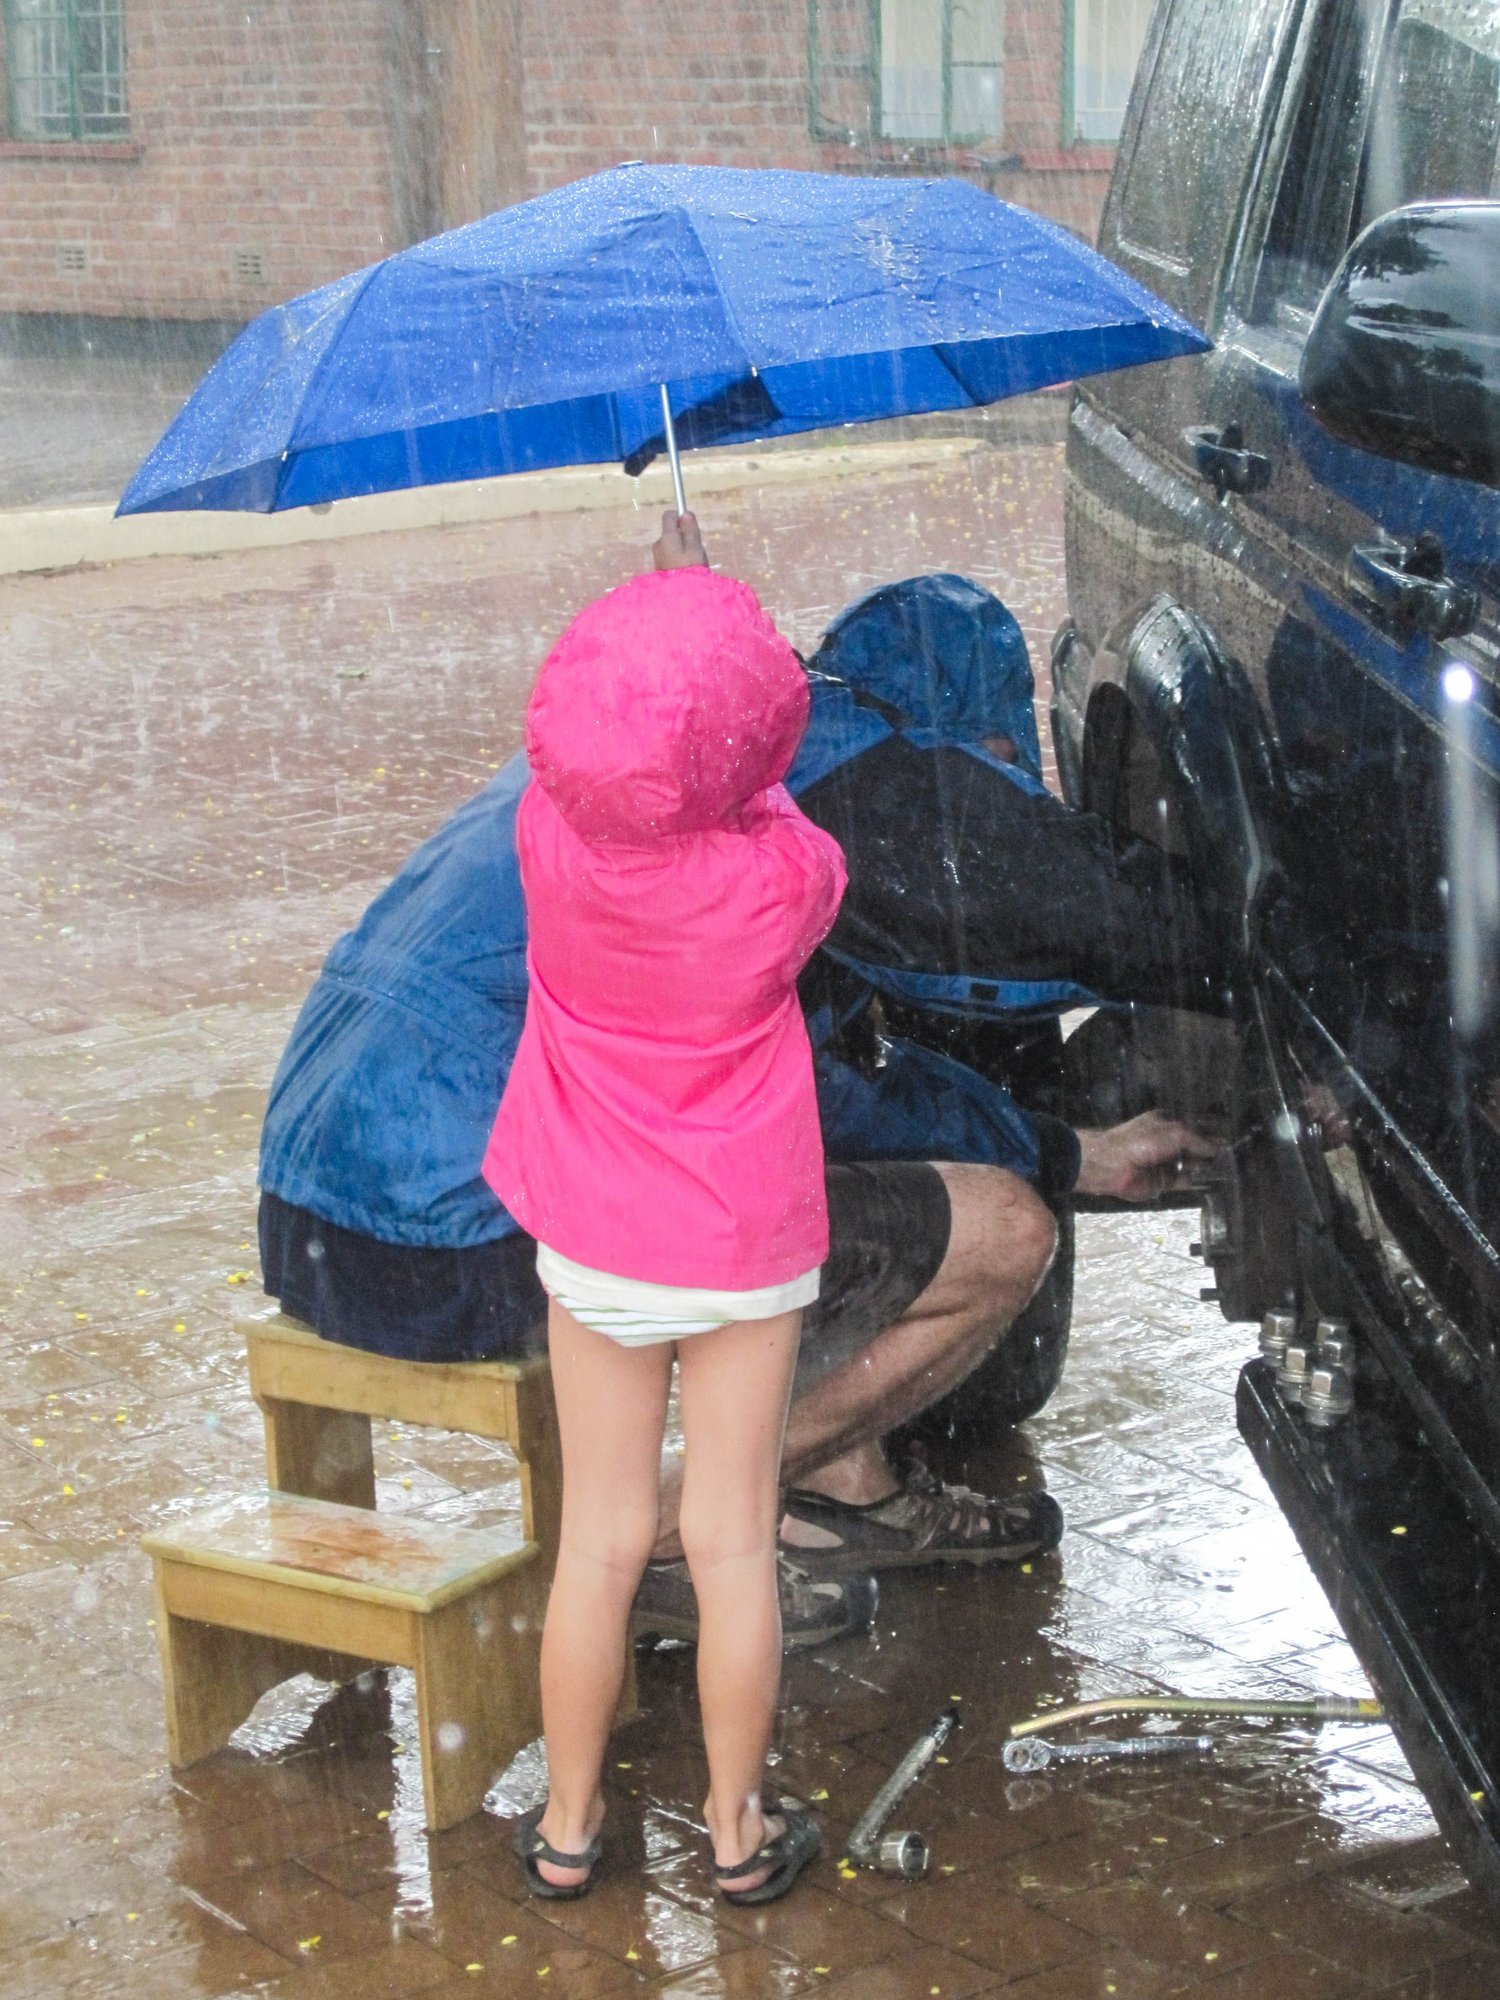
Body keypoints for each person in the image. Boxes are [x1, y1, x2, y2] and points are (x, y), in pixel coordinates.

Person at [258, 513, 1213, 1642]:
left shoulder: (615, 757)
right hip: (459, 1237)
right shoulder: (764, 841)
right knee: (997, 1230)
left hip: (308, 1206)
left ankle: (843, 1485)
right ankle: (665, 1537)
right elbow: (814, 1099)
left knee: (784, 1200)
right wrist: (1060, 1154)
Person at [496, 560, 840, 1902]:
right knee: (730, 1541)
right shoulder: (777, 886)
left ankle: (570, 1828)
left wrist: (655, 641)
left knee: (599, 1537)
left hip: (592, 1235)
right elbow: (772, 808)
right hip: (740, 1244)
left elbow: (621, 769)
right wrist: (714, 685)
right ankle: (739, 1833)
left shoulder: (546, 841)